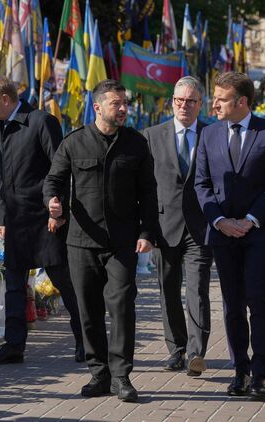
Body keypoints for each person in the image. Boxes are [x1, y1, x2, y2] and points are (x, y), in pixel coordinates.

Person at [43, 79, 159, 403]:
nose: (122, 109)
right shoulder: (74, 142)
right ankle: (99, 374)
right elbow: (53, 180)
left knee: (121, 305)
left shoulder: (136, 144)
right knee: (88, 310)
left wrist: (147, 232)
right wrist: (52, 203)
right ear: (97, 107)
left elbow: (149, 192)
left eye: (125, 103)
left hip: (122, 242)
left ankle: (121, 376)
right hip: (81, 241)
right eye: (115, 103)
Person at [194, 71, 265, 401]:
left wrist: (250, 220)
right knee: (232, 304)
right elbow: (201, 183)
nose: (214, 104)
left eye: (222, 99)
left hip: (259, 233)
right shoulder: (208, 134)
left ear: (243, 102)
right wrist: (219, 220)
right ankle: (240, 371)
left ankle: (260, 374)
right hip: (222, 233)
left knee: (258, 300)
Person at [0, 75, 84, 365]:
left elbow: (61, 169)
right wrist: (2, 217)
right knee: (14, 284)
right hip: (16, 220)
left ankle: (86, 340)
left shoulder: (41, 122)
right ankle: (14, 345)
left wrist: (58, 212)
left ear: (5, 99)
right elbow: (0, 177)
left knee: (63, 280)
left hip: (45, 218)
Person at [141, 76, 213, 377]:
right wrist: (145, 230)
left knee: (197, 290)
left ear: (200, 104)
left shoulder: (212, 134)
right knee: (168, 289)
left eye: (191, 101)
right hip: (164, 225)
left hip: (201, 226)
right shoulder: (151, 136)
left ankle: (196, 353)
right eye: (179, 100)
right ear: (172, 102)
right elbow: (144, 186)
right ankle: (177, 349)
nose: (184, 106)